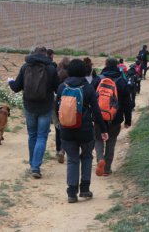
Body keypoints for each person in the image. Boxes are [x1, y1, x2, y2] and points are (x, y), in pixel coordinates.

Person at [56, 59, 108, 203]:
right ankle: (85, 189)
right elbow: (97, 112)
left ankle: (71, 192)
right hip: (85, 130)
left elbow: (56, 108)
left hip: (66, 130)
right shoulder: (88, 88)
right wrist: (103, 129)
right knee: (86, 157)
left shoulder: (61, 87)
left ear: (69, 71)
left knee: (72, 160)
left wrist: (60, 125)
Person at [8, 47, 59, 179]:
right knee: (42, 136)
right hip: (46, 106)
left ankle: (32, 164)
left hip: (29, 106)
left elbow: (16, 88)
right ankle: (36, 167)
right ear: (45, 55)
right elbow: (57, 88)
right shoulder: (51, 68)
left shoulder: (25, 67)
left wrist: (10, 82)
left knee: (32, 136)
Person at [92, 58, 132, 177]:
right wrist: (128, 120)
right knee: (111, 141)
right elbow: (127, 103)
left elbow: (89, 97)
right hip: (116, 118)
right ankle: (107, 169)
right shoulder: (121, 81)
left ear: (105, 65)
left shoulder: (98, 79)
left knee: (98, 139)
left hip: (99, 117)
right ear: (117, 66)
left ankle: (100, 159)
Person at [54, 57, 70, 163]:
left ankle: (58, 149)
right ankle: (65, 149)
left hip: (56, 102)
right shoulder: (70, 75)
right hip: (69, 102)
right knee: (68, 128)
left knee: (58, 128)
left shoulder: (56, 73)